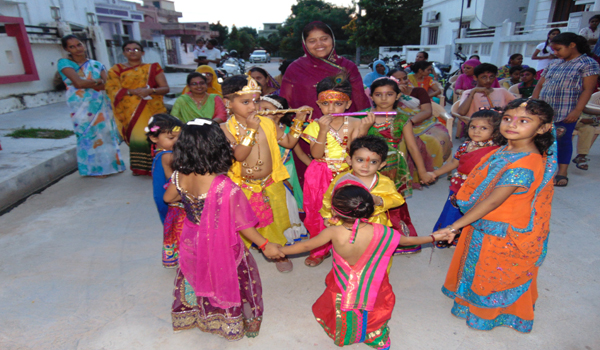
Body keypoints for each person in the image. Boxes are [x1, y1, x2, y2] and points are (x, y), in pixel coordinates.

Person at [436, 98, 556, 333]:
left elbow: (493, 200)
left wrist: (454, 226)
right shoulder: (505, 149)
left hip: (503, 230)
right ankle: (468, 303)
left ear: (543, 128)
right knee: (475, 266)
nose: (512, 125)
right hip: (483, 224)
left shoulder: (526, 163)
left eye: (524, 121)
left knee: (493, 274)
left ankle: (489, 315)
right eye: (508, 118)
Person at [279, 184, 450, 349]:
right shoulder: (383, 231)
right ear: (370, 209)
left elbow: (305, 246)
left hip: (343, 282)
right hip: (373, 281)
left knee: (342, 304)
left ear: (334, 212)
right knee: (375, 305)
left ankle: (346, 334)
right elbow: (408, 240)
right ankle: (374, 336)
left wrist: (280, 251)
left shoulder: (333, 232)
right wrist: (433, 237)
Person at [164, 119, 284, 340]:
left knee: (197, 274)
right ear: (218, 149)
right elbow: (243, 225)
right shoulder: (224, 186)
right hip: (219, 241)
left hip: (192, 238)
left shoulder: (180, 175)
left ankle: (198, 316)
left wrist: (188, 202)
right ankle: (229, 320)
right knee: (226, 275)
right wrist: (265, 245)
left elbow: (168, 197)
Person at [221, 75, 307, 273]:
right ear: (228, 103)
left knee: (275, 219)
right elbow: (239, 156)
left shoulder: (267, 123)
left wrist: (298, 123)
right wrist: (251, 130)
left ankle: (278, 252)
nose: (253, 107)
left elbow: (288, 143)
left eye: (256, 101)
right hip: (242, 187)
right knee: (241, 222)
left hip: (270, 182)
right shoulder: (224, 130)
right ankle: (239, 254)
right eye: (245, 102)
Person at [280, 21, 371, 187]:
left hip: (345, 132)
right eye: (312, 41)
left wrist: (361, 129)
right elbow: (286, 104)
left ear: (333, 39)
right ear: (305, 44)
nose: (319, 44)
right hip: (307, 134)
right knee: (313, 183)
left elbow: (359, 102)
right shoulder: (295, 68)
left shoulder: (347, 67)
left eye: (324, 38)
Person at [301, 74, 374, 267]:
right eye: (325, 103)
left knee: (348, 210)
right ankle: (319, 249)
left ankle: (347, 248)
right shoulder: (315, 125)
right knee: (318, 212)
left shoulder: (355, 122)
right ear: (318, 103)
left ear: (348, 104)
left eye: (338, 103)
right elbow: (316, 154)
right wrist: (323, 131)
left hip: (346, 172)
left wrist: (364, 130)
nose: (331, 109)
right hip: (319, 173)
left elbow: (354, 151)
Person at [362, 78, 437, 254]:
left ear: (398, 96)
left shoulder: (403, 118)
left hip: (393, 167)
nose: (384, 98)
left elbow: (412, 147)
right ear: (372, 96)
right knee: (367, 201)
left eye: (389, 94)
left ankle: (400, 241)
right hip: (366, 166)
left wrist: (423, 172)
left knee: (394, 204)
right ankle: (368, 241)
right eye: (378, 95)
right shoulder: (364, 115)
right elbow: (356, 141)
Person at [320, 135, 416, 256]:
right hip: (346, 224)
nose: (365, 166)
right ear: (349, 160)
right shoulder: (342, 180)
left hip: (376, 224)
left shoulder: (385, 182)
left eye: (373, 162)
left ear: (381, 165)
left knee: (376, 254)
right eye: (360, 160)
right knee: (347, 254)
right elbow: (329, 198)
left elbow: (398, 199)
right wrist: (328, 216)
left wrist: (379, 200)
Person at [532, 32, 600, 187]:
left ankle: (562, 172)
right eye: (553, 50)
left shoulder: (587, 63)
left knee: (563, 140)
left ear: (572, 45)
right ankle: (539, 170)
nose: (555, 53)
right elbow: (540, 84)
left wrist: (577, 111)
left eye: (558, 49)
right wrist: (534, 103)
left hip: (566, 110)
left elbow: (587, 90)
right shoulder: (554, 63)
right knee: (540, 140)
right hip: (543, 110)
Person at [429, 109, 504, 248]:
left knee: (473, 213)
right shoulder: (465, 146)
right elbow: (454, 163)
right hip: (459, 186)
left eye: (484, 128)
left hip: (479, 190)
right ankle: (446, 236)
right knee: (453, 211)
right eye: (473, 127)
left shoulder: (497, 151)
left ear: (496, 131)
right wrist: (435, 173)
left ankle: (464, 239)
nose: (476, 131)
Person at [57, 35, 125, 177]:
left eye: (79, 44)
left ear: (84, 45)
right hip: (79, 105)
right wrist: (97, 81)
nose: (77, 49)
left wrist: (93, 82)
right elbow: (78, 83)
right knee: (87, 135)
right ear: (66, 49)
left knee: (105, 134)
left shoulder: (96, 64)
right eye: (72, 46)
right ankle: (94, 170)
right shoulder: (64, 63)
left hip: (100, 104)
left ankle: (112, 166)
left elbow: (107, 85)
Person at [106, 41, 169, 176]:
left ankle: (161, 166)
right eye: (128, 49)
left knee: (157, 136)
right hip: (130, 111)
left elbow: (164, 88)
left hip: (152, 108)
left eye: (136, 49)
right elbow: (111, 89)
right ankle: (141, 168)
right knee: (138, 137)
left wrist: (150, 91)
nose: (132, 52)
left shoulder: (153, 68)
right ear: (123, 53)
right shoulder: (116, 70)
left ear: (142, 52)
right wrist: (131, 92)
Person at [258, 94, 311, 244]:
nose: (261, 112)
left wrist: (317, 168)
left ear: (280, 114)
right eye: (259, 108)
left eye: (267, 109)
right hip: (265, 174)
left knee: (288, 204)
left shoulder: (287, 130)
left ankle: (287, 236)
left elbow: (299, 153)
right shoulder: (256, 128)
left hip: (287, 173)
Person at [394, 69, 452, 187]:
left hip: (422, 123)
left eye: (404, 78)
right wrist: (395, 94)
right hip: (397, 124)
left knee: (433, 140)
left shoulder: (418, 91)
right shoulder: (388, 94)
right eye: (398, 79)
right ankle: (402, 176)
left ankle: (428, 173)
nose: (403, 81)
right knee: (401, 141)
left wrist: (409, 122)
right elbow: (387, 110)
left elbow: (427, 111)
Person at [146, 114, 184, 267]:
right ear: (154, 138)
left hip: (162, 198)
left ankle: (174, 256)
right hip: (172, 201)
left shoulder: (160, 153)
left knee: (172, 226)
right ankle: (185, 257)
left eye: (179, 138)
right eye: (171, 138)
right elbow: (174, 180)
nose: (176, 142)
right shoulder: (168, 156)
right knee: (179, 226)